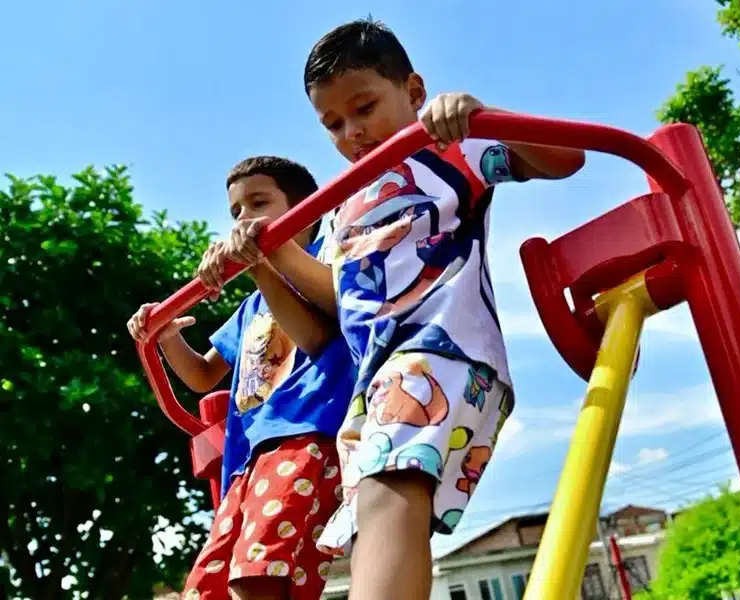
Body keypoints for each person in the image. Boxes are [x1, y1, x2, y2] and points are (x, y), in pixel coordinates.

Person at [226, 19, 585, 600]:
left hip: (440, 351)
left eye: (364, 108)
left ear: (414, 93)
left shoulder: (445, 147)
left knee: (388, 486)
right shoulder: (345, 204)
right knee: (375, 510)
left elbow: (566, 158)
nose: (352, 133)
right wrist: (272, 256)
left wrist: (481, 115)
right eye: (332, 125)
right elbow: (339, 302)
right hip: (377, 376)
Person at [126, 156, 355, 600]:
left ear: (306, 210)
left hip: (307, 435)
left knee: (259, 572)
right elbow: (202, 375)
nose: (244, 218)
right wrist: (166, 336)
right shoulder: (251, 307)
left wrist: (260, 265)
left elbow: (316, 336)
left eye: (259, 202)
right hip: (248, 457)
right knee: (210, 585)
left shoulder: (326, 263)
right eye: (236, 211)